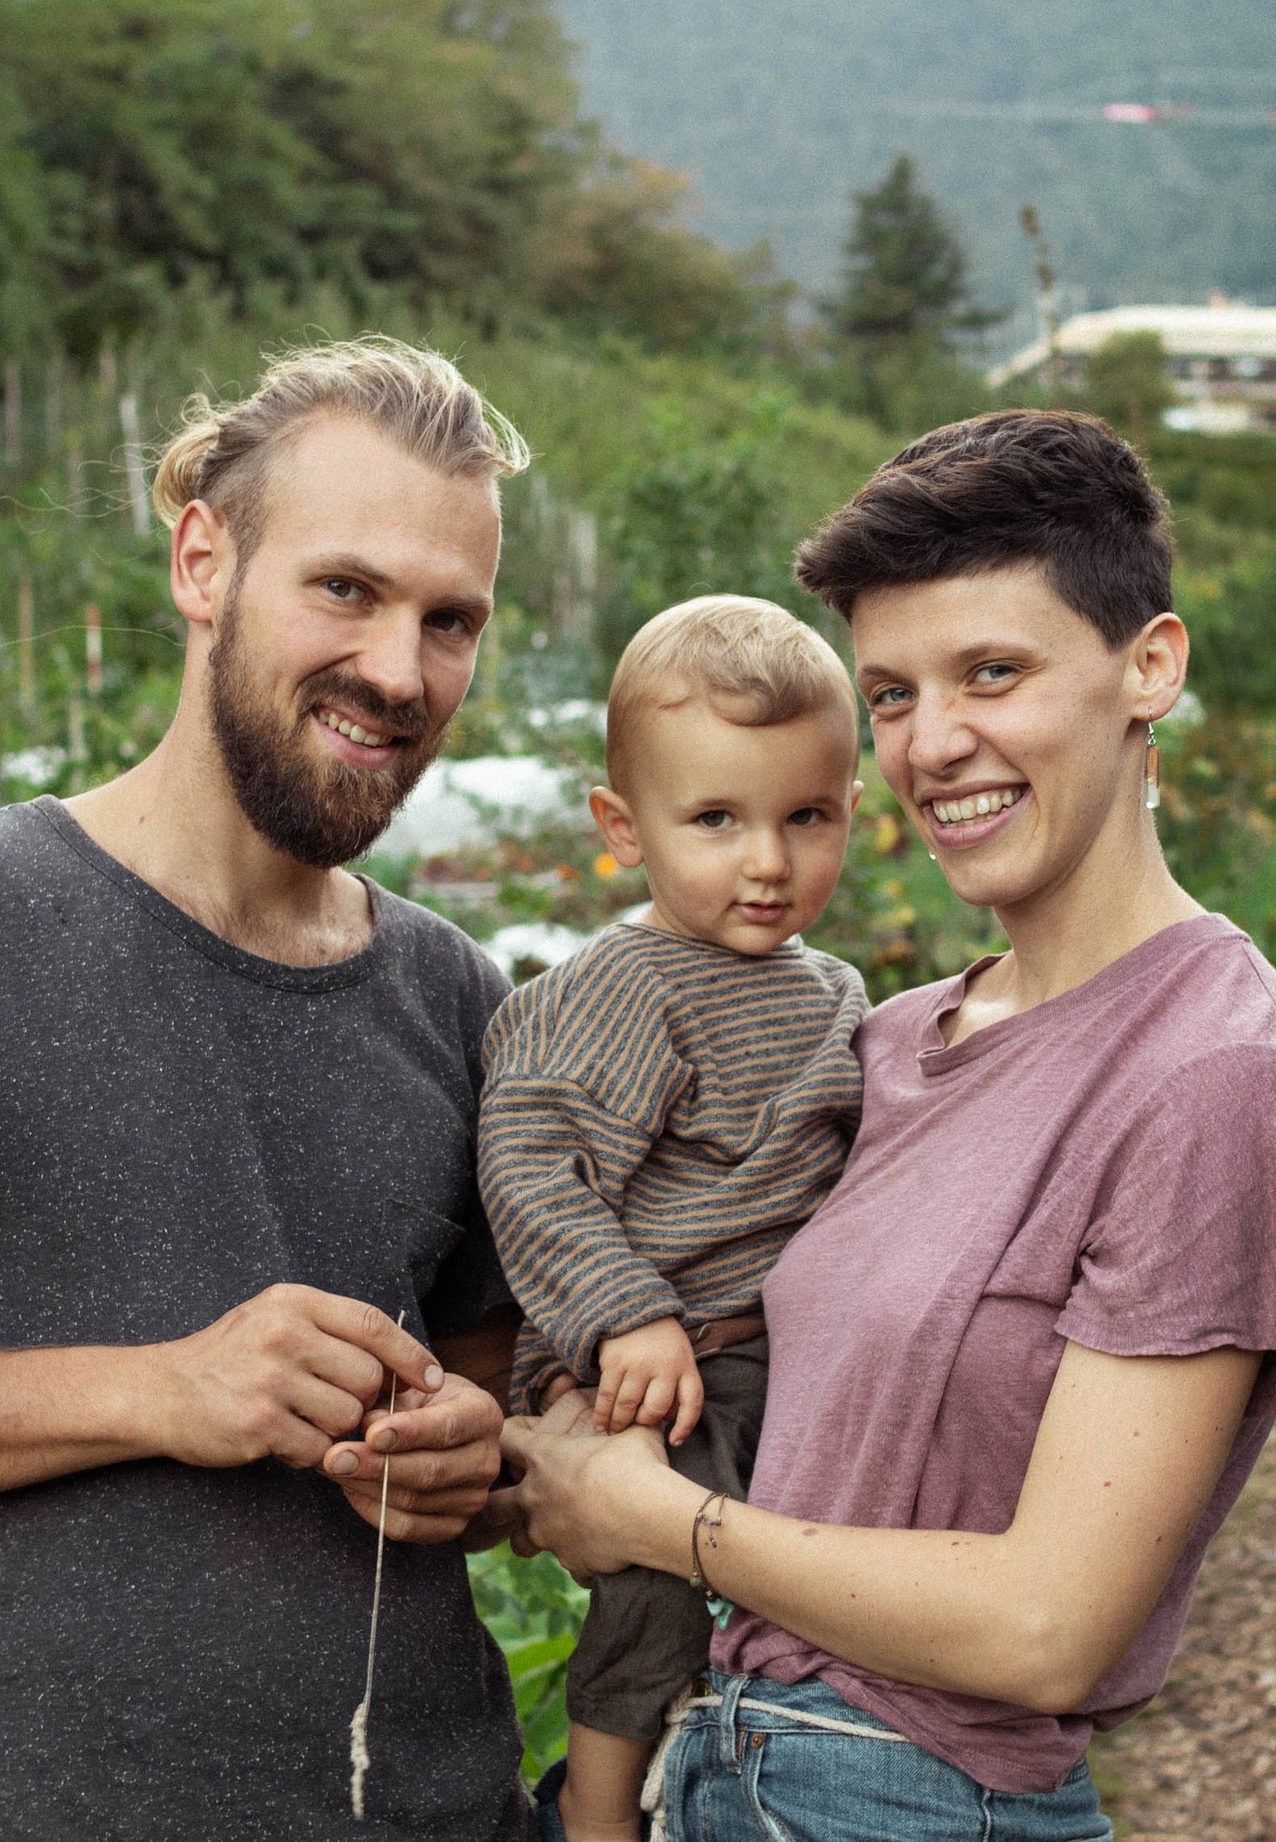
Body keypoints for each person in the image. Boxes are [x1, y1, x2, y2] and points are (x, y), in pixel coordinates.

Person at [0, 338, 539, 1841]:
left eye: (450, 620)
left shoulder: (456, 997)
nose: (400, 671)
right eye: (346, 589)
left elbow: (493, 1410)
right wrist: (162, 1387)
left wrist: (471, 1456)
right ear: (203, 561)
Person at [502, 409, 1276, 1839]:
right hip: (721, 1767)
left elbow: (1048, 1630)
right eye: (892, 693)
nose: (936, 743)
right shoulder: (888, 1037)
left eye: (994, 672)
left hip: (904, 1797)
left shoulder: (1215, 1076)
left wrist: (652, 1520)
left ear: (1151, 666)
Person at [479, 596, 869, 1841]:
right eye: (715, 820)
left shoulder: (836, 992)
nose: (767, 862)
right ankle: (597, 1818)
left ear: (852, 809)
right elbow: (531, 1165)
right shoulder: (623, 986)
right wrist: (622, 1320)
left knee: (812, 1583)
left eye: (805, 817)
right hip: (660, 1360)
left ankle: (750, 1775)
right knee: (652, 1588)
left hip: (770, 1354)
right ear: (622, 827)